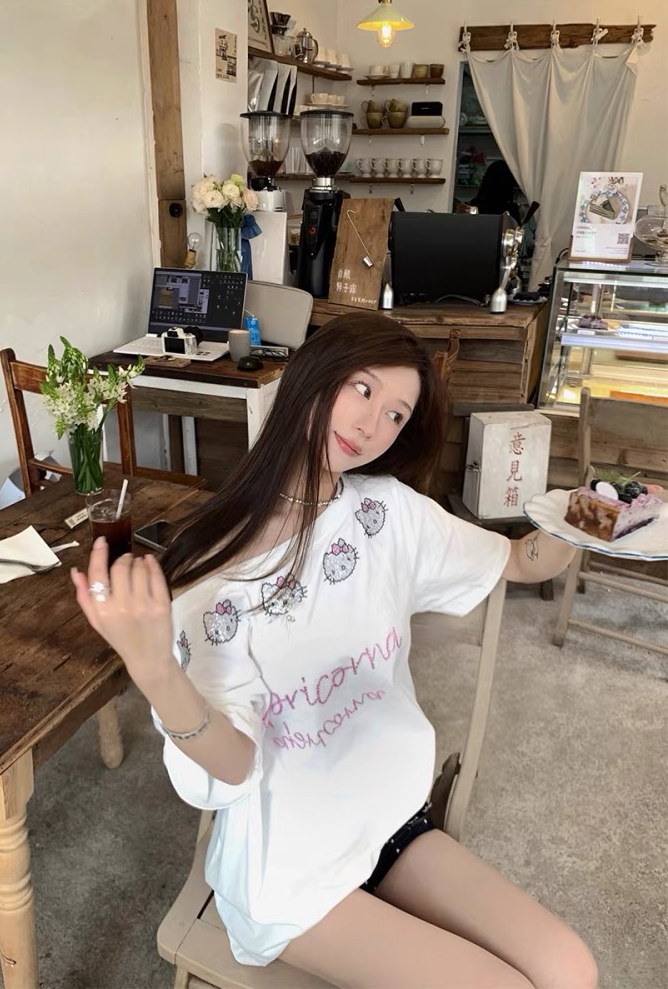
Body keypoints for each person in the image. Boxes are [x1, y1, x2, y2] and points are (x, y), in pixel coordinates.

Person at [71, 315, 597, 989]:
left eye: (397, 414)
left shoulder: (390, 514)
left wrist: (592, 514)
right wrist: (155, 672)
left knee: (572, 969)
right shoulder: (211, 571)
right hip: (291, 867)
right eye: (362, 389)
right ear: (315, 377)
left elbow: (522, 560)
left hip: (390, 820)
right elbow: (231, 768)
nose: (373, 424)